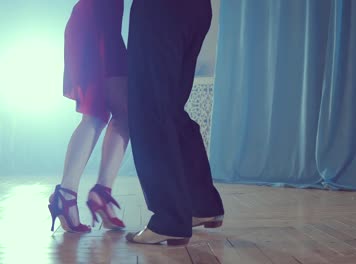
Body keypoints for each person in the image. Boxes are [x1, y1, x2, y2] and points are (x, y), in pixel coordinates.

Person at [125, 0, 225, 246]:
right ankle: (201, 205)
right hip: (196, 9)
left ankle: (169, 220)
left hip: (160, 9)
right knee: (169, 110)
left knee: (151, 111)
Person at [48, 0, 128, 233]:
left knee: (103, 113)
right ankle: (83, 193)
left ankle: (71, 194)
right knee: (113, 112)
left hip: (96, 21)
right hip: (98, 22)